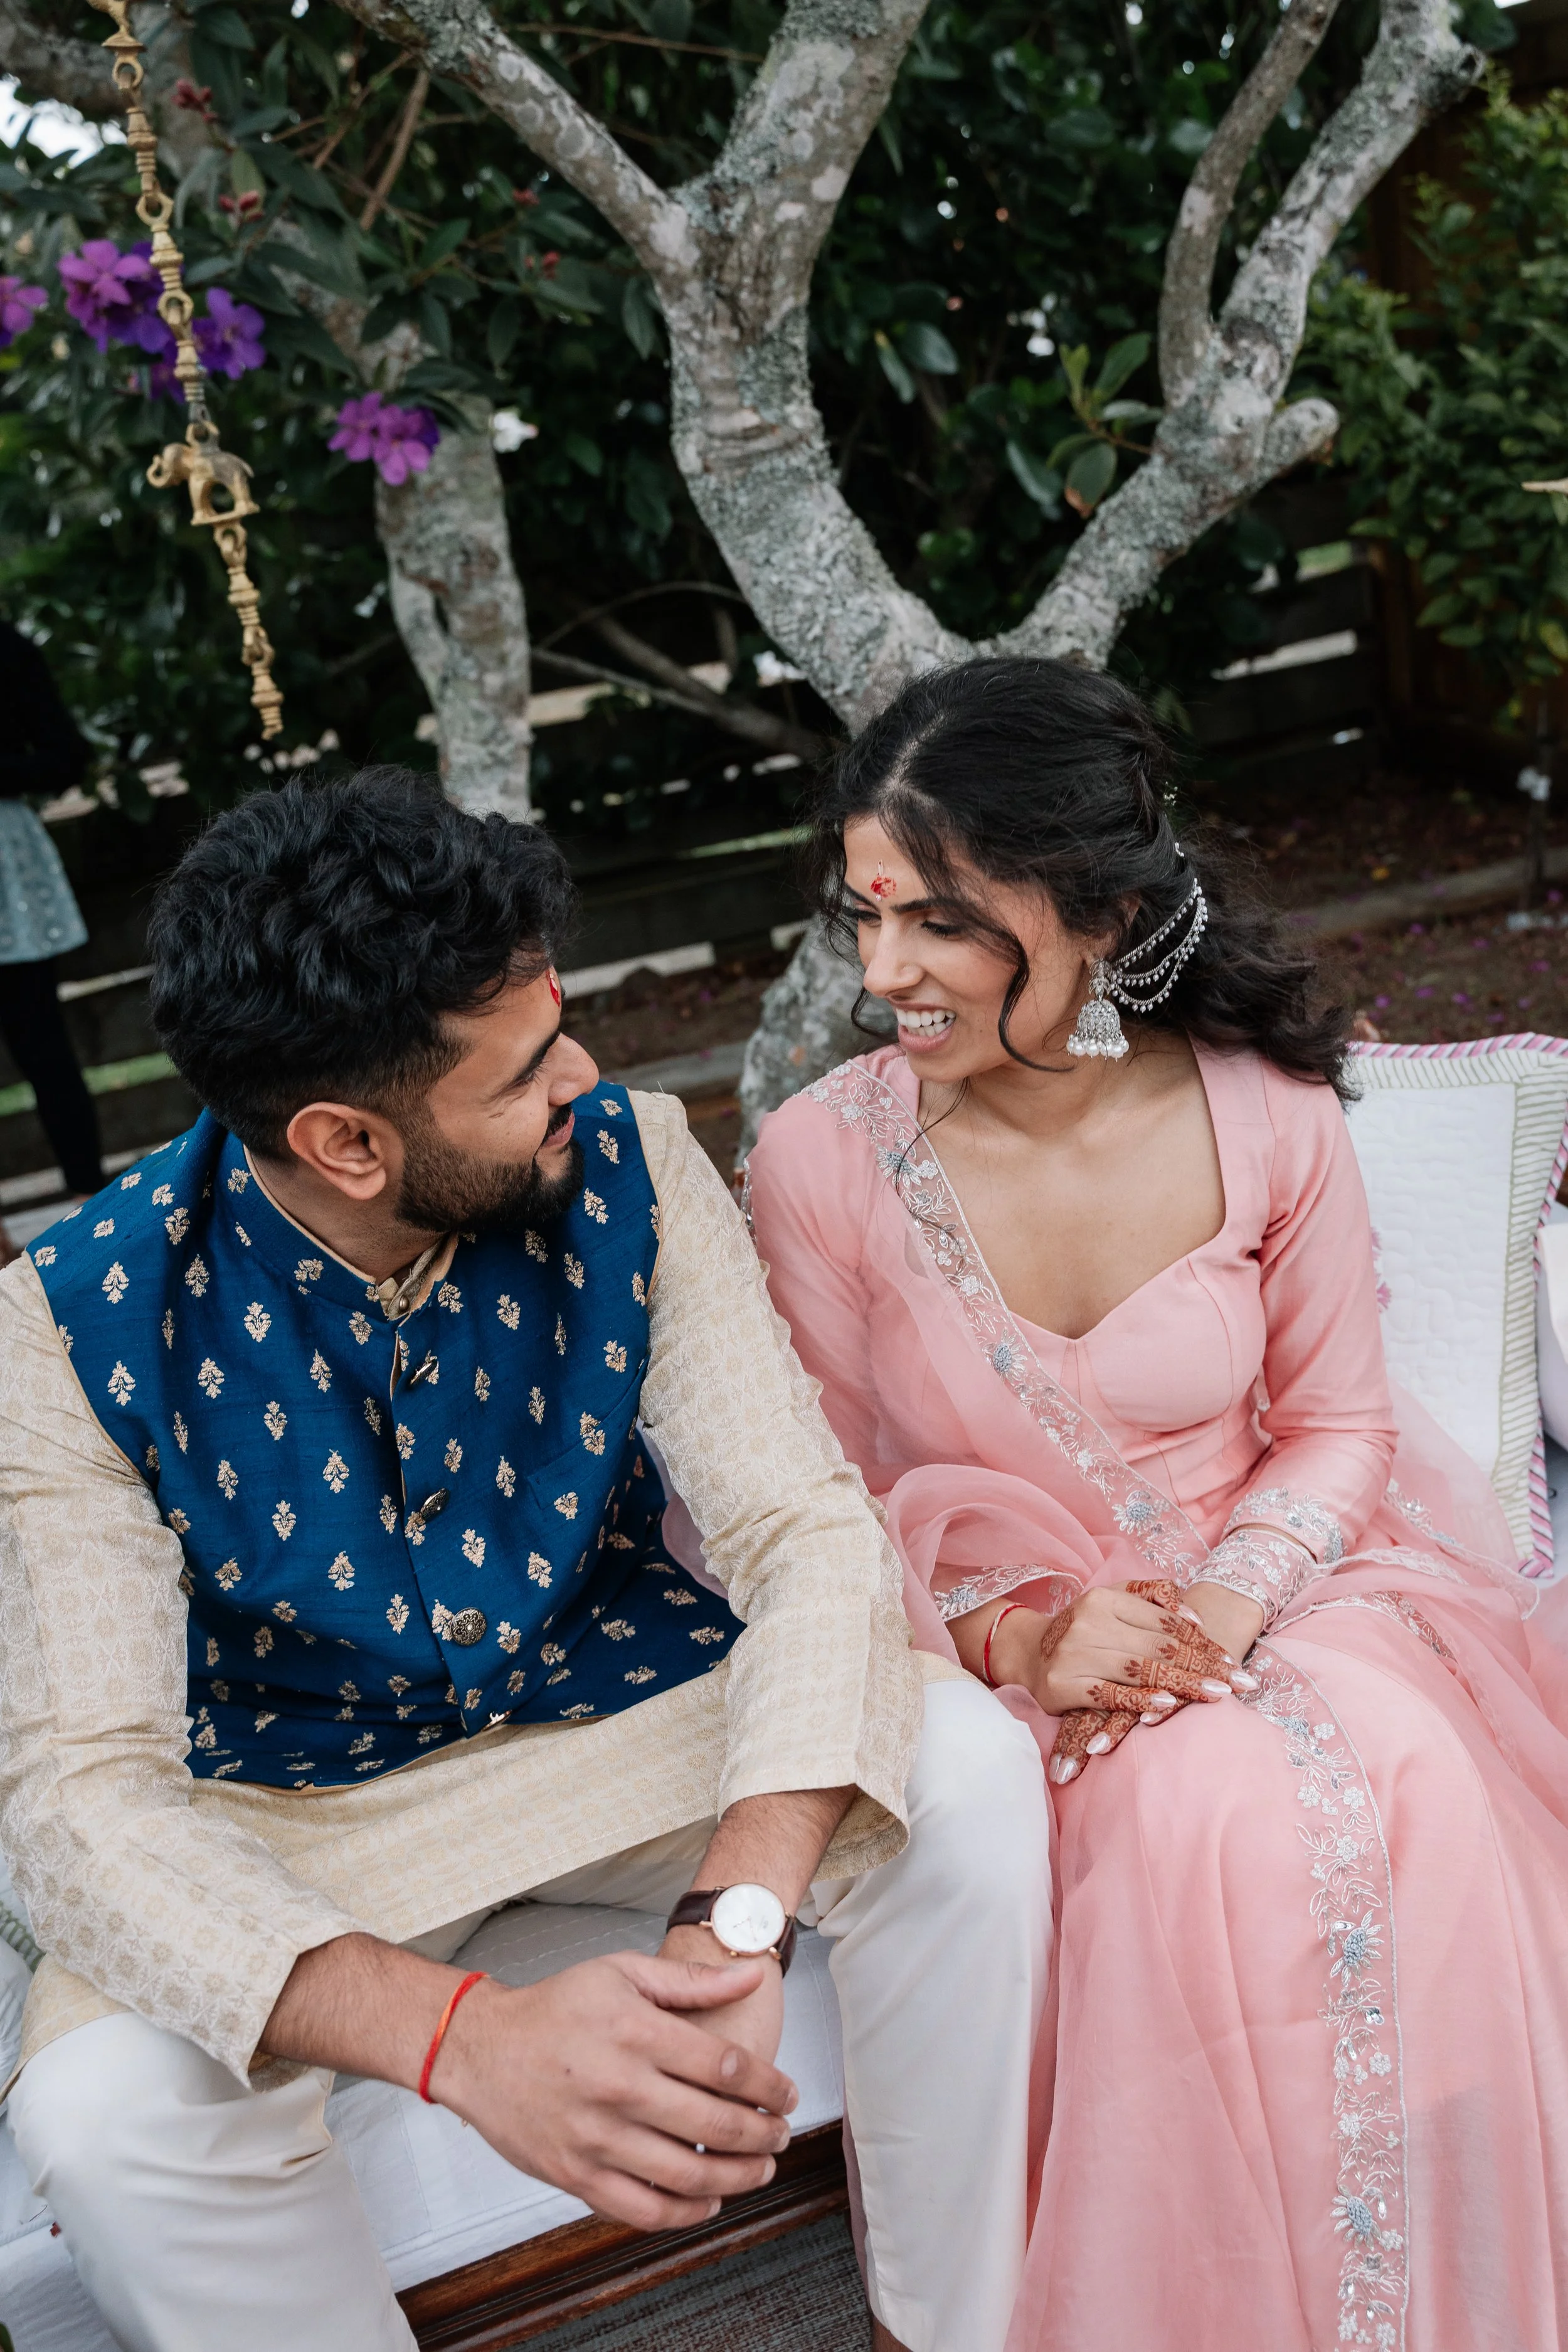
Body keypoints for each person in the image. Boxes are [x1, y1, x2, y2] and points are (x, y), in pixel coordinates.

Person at [0, 770, 1051, 2352]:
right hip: (294, 1810)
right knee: (104, 2110)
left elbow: (803, 1532)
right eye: (521, 1071)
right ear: (346, 1139)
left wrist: (736, 1918)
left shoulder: (627, 1162)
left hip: (623, 1710)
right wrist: (462, 2040)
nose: (582, 1072)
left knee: (963, 1773)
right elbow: (79, 1802)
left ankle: (947, 2331)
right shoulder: (62, 1326)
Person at [744, 656, 1568, 2351]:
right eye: (864, 912)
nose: (882, 968)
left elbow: (1337, 1422)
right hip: (1007, 1648)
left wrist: (1225, 1605)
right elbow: (812, 1501)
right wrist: (1021, 1636)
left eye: (940, 921)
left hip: (1296, 1586)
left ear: (1103, 911)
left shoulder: (1265, 1105)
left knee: (1400, 1771)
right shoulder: (821, 1161)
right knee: (1199, 1816)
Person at [0, 618, 105, 1208]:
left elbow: (64, 755)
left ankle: (90, 1205)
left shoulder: (5, 648)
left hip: (5, 869)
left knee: (42, 1041)